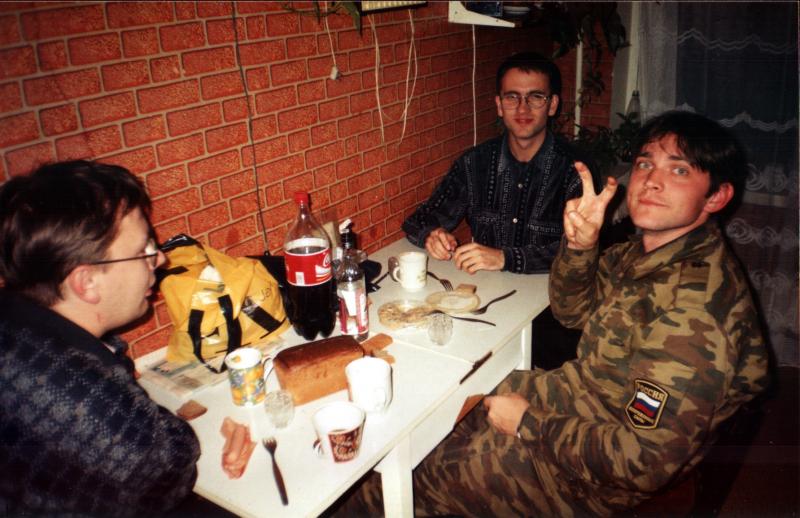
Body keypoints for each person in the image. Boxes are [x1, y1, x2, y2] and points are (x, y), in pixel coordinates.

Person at [345, 111, 769, 516]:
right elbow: (571, 311)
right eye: (645, 163)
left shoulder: (694, 312)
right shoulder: (646, 255)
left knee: (408, 479)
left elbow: (644, 462)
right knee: (444, 400)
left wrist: (528, 423)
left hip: (591, 476)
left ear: (716, 195)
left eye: (679, 170)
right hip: (585, 399)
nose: (651, 181)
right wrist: (581, 247)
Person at [0, 161, 242, 515]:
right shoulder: (76, 390)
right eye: (143, 250)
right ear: (86, 282)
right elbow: (172, 465)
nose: (160, 259)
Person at [402, 51, 593, 370]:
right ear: (499, 105)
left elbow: (582, 255)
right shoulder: (474, 163)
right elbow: (418, 220)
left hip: (552, 315)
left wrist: (506, 258)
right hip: (486, 308)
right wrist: (432, 235)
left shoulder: (576, 172)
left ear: (553, 105)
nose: (522, 108)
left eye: (535, 97)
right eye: (512, 97)